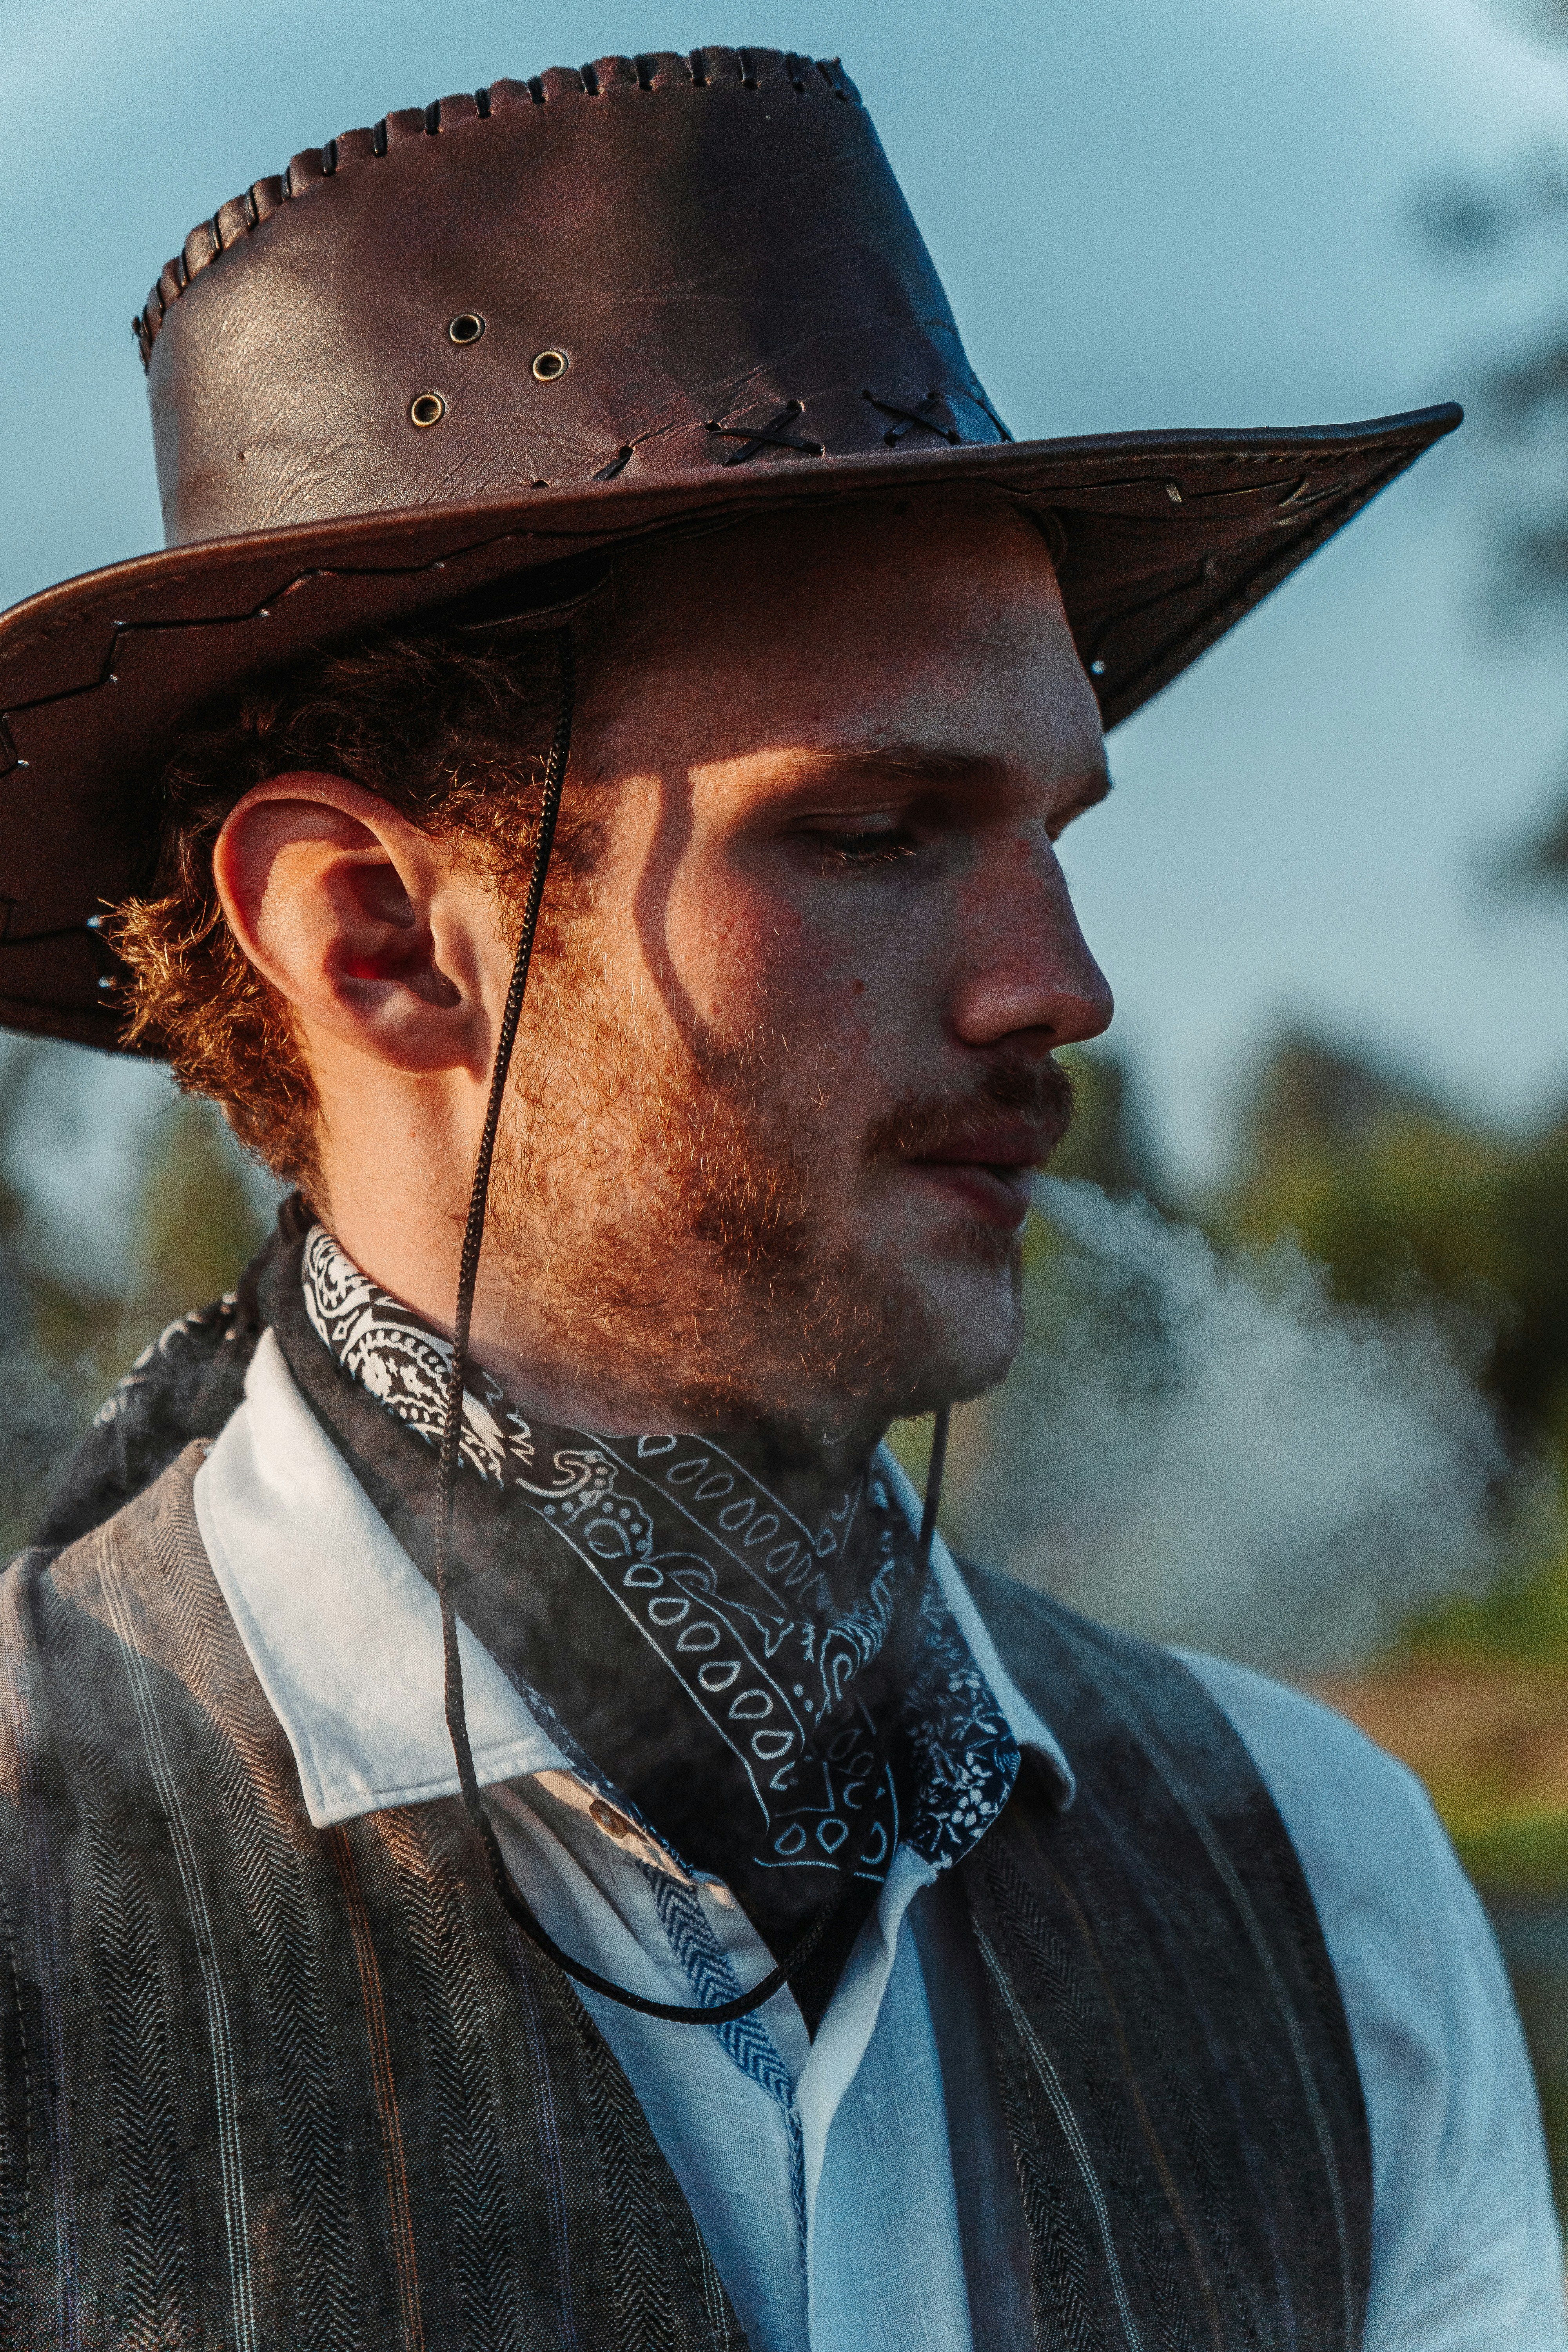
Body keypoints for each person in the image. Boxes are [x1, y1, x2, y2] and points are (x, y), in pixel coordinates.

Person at [0, 43, 1557, 2352]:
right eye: (872, 830)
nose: (1064, 987)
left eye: (1054, 833)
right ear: (375, 940)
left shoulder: (1330, 1900)